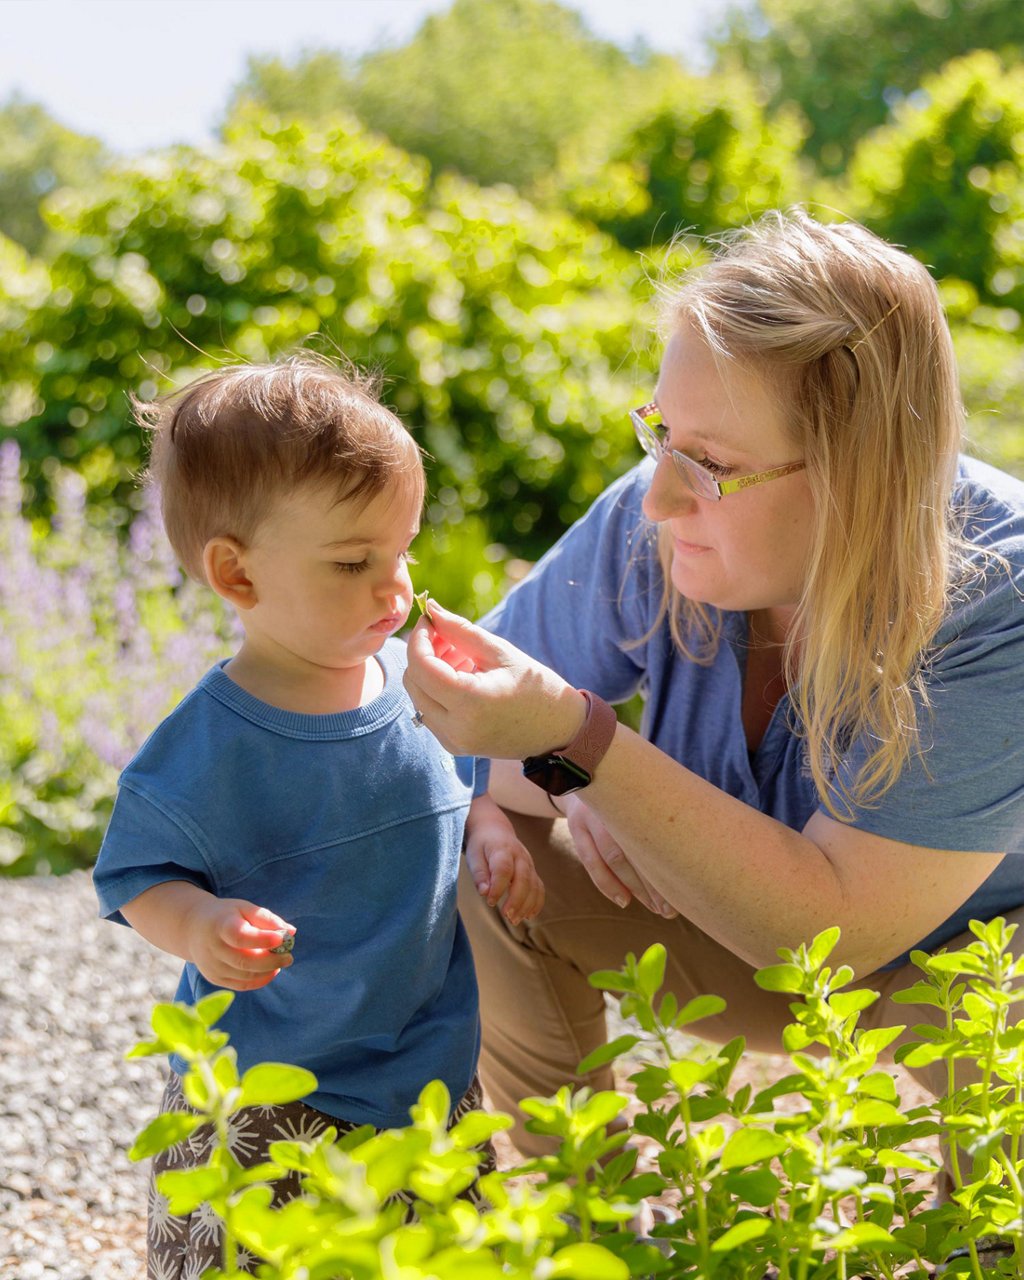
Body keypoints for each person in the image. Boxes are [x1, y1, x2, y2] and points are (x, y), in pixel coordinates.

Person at [403, 208, 1024, 1161]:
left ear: (862, 471)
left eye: (713, 464)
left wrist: (584, 749)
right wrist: (537, 786)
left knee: (991, 1233)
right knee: (478, 860)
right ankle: (586, 1231)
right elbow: (423, 706)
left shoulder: (1000, 590)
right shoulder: (655, 521)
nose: (657, 496)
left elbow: (833, 936)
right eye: (660, 435)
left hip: (967, 979)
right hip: (735, 937)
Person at [92, 354, 543, 1279]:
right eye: (353, 562)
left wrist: (489, 826)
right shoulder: (210, 746)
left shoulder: (419, 685)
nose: (397, 586)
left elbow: (462, 783)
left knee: (439, 1256)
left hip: (426, 1067)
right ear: (237, 574)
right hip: (269, 1093)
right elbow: (137, 876)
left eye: (402, 550)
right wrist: (202, 922)